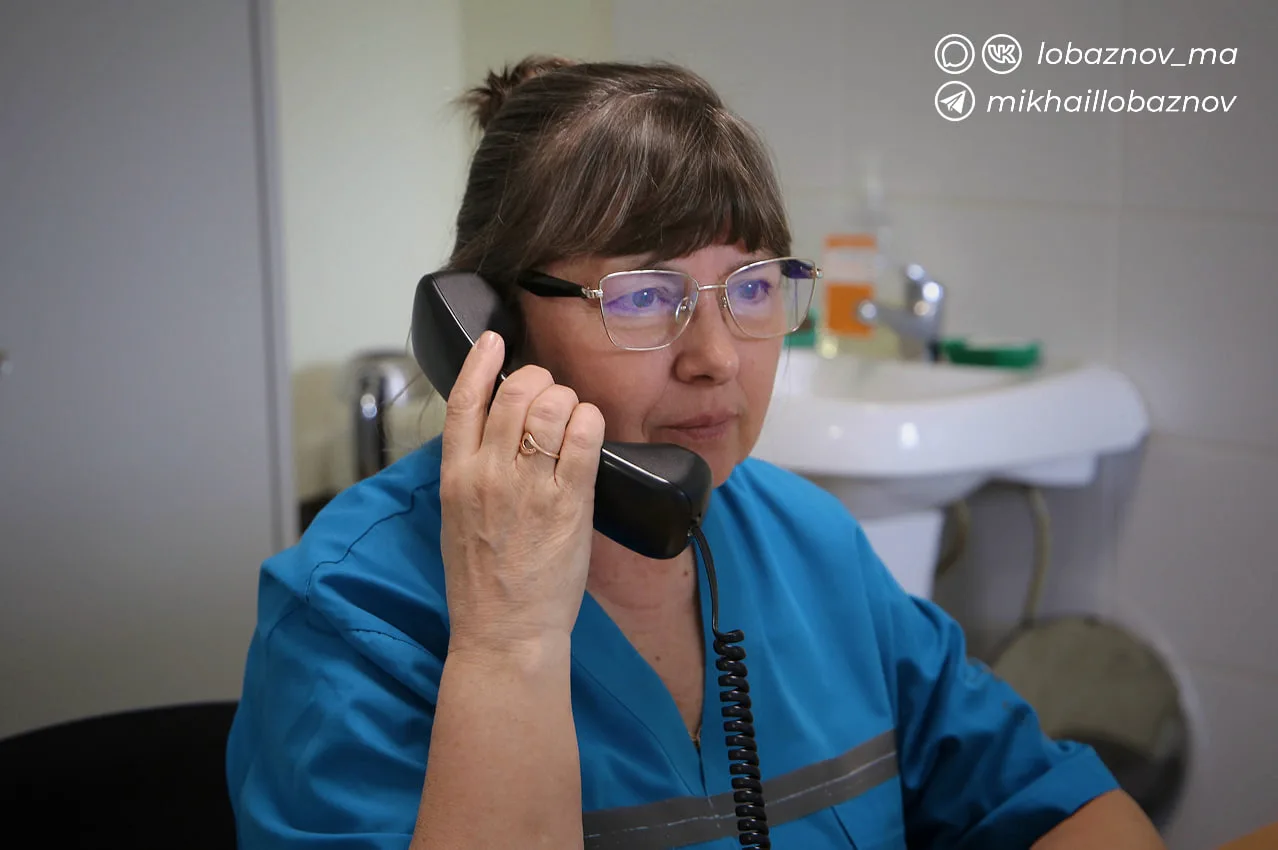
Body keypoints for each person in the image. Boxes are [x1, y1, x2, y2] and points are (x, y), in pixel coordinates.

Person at [225, 57, 1167, 850]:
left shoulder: (811, 543)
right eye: (644, 296)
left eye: (751, 288)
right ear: (494, 328)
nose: (716, 358)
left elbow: (1056, 804)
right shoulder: (353, 610)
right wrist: (509, 641)